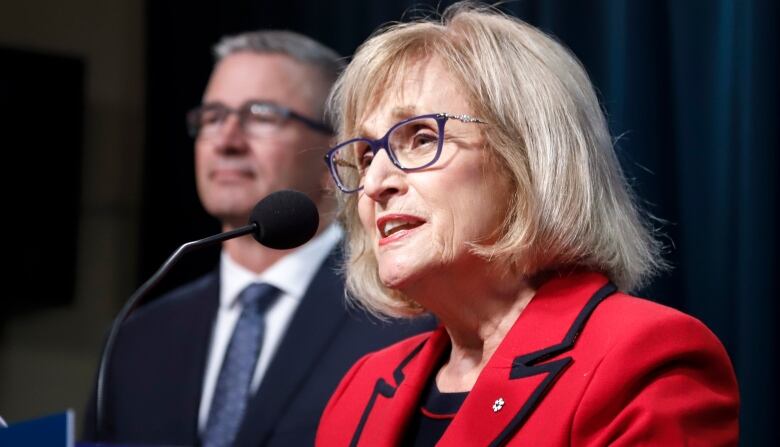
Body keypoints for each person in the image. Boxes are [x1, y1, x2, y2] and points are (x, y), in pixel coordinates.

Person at [316, 4, 740, 446]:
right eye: (367, 156)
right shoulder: (363, 388)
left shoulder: (640, 360)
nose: (374, 185)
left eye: (421, 138)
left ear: (527, 158)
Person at [83, 30, 434, 447]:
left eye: (262, 115)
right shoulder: (138, 337)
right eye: (212, 117)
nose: (226, 141)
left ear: (335, 155)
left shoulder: (404, 314)